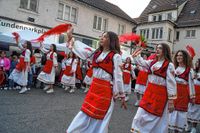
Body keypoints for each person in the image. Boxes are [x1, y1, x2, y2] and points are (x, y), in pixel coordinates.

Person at [66, 31, 126, 133]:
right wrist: (71, 38)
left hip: (105, 91)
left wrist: (122, 95)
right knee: (85, 111)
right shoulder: (96, 53)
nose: (102, 38)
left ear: (111, 40)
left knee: (101, 117)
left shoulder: (116, 56)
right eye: (101, 36)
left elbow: (118, 77)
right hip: (94, 88)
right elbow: (82, 52)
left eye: (105, 37)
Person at [131, 43, 177, 133]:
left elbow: (171, 83)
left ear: (165, 51)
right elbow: (140, 61)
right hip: (149, 92)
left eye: (160, 48)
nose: (157, 50)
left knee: (157, 118)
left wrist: (171, 101)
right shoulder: (152, 62)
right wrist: (138, 50)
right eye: (157, 48)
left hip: (160, 94)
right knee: (139, 116)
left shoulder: (169, 65)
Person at [168, 50, 195, 133]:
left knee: (179, 118)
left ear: (185, 57)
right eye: (177, 55)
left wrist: (192, 97)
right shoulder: (173, 68)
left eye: (181, 55)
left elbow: (191, 84)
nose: (178, 57)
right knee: (170, 116)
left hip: (183, 96)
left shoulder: (189, 70)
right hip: (173, 94)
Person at [187, 59, 200, 133]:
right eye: (196, 62)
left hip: (199, 94)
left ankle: (194, 127)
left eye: (198, 62)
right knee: (188, 110)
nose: (196, 64)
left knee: (197, 112)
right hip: (191, 92)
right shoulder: (193, 71)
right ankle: (188, 125)